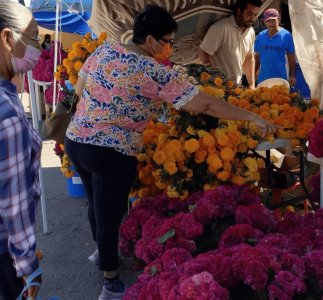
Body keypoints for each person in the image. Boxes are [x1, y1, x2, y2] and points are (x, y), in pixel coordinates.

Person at [65, 4, 276, 299]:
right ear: (150, 40)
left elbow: (81, 85)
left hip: (77, 140)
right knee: (111, 215)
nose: (170, 48)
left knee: (95, 205)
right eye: (168, 42)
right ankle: (110, 282)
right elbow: (205, 104)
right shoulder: (152, 70)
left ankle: (102, 254)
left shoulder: (106, 50)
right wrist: (252, 116)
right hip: (110, 152)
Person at [0, 2, 43, 300]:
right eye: (32, 40)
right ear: (6, 39)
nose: (37, 51)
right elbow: (14, 204)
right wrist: (28, 266)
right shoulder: (8, 115)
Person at [198, 0, 262, 88]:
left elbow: (248, 58)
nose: (252, 19)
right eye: (249, 13)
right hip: (217, 89)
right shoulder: (220, 28)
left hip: (236, 87)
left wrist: (252, 85)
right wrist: (215, 79)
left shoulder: (250, 32)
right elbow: (204, 52)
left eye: (255, 15)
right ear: (239, 11)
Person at [254, 8, 296, 86]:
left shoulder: (287, 35)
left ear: (278, 19)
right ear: (264, 22)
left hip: (280, 77)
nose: (271, 23)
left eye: (273, 20)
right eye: (268, 21)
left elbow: (291, 57)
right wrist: (253, 74)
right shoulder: (260, 36)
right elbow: (257, 56)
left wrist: (292, 75)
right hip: (263, 77)